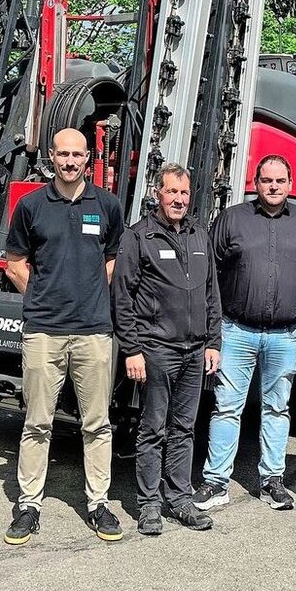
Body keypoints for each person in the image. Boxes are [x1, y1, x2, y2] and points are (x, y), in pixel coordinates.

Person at [2, 128, 126, 545]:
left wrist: (90, 293)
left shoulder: (107, 205)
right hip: (43, 333)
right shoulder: (31, 205)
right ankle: (28, 505)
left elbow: (112, 259)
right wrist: (42, 298)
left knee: (97, 423)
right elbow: (15, 263)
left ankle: (98, 502)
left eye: (77, 154)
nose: (70, 161)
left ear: (88, 157)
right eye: (63, 154)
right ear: (51, 157)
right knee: (37, 422)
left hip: (93, 332)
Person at [194, 155, 296, 512]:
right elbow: (209, 273)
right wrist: (212, 328)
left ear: (291, 185)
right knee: (226, 408)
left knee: (277, 408)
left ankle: (272, 481)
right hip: (236, 331)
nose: (274, 187)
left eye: (280, 181)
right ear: (255, 183)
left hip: (285, 335)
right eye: (267, 180)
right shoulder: (232, 219)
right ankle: (216, 482)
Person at [112, 162, 222, 535]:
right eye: (172, 192)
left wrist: (213, 341)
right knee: (153, 428)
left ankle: (180, 500)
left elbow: (211, 294)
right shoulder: (139, 237)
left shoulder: (199, 236)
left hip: (194, 351)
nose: (178, 199)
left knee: (185, 427)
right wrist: (132, 349)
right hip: (156, 350)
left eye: (184, 193)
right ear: (157, 193)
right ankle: (148, 506)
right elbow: (122, 298)